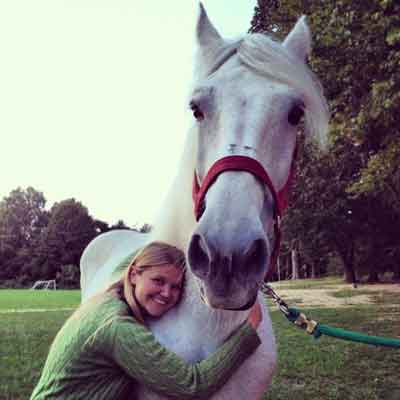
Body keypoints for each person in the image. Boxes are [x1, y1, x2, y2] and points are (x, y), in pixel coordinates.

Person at [30, 241, 262, 400]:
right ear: (133, 275)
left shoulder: (109, 297)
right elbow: (192, 385)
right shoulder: (118, 328)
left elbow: (136, 260)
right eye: (158, 280)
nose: (167, 293)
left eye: (176, 287)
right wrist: (248, 330)